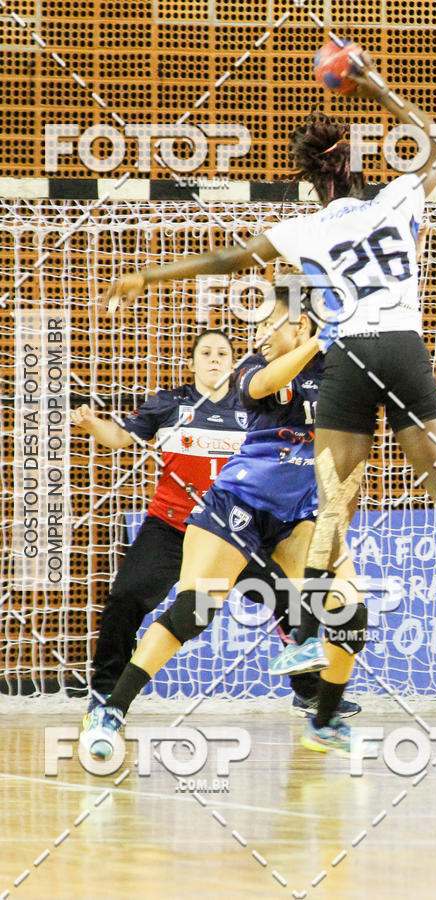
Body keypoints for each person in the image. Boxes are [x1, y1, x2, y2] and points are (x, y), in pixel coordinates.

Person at [103, 56, 436, 755]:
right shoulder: (388, 210)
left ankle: (312, 664)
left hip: (341, 382)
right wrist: (375, 81)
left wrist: (149, 271)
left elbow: (230, 261)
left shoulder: (308, 242)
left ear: (310, 180)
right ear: (356, 170)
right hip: (381, 362)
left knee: (335, 531)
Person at [81, 291, 363, 760]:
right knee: (193, 612)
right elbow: (262, 385)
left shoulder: (339, 370)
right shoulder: (255, 367)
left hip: (299, 515)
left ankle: (322, 716)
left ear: (301, 324)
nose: (259, 335)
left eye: (269, 323)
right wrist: (314, 345)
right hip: (236, 509)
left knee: (350, 611)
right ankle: (110, 710)